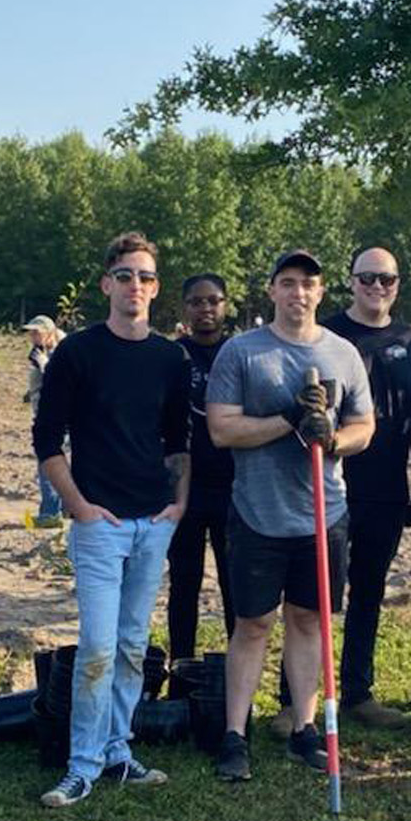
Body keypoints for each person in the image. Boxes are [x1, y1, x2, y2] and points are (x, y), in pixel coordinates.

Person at [34, 232, 190, 807]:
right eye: (125, 275)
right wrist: (78, 507)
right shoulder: (77, 352)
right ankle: (81, 764)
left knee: (130, 644)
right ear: (106, 283)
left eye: (146, 277)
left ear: (155, 288)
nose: (135, 286)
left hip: (154, 522)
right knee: (97, 646)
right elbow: (47, 440)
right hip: (100, 524)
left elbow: (179, 440)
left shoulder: (168, 358)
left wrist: (178, 504)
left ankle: (119, 752)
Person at [206, 250, 374, 782]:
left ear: (322, 293)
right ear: (272, 291)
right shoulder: (242, 352)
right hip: (258, 514)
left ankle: (305, 728)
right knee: (252, 623)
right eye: (287, 283)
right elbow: (222, 430)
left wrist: (334, 438)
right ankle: (235, 734)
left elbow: (364, 425)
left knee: (308, 620)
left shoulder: (344, 354)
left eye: (308, 284)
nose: (298, 293)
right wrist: (288, 418)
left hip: (324, 515)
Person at [301, 246, 411, 729]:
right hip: (330, 483)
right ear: (351, 282)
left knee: (369, 591)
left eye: (387, 279)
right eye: (368, 279)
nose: (377, 287)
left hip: (386, 486)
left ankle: (358, 693)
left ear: (398, 284)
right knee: (315, 594)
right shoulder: (326, 333)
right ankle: (298, 702)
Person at [167, 273, 237, 660]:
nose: (206, 309)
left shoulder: (239, 353)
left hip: (234, 488)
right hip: (186, 491)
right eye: (196, 302)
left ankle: (234, 685)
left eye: (214, 301)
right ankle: (181, 670)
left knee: (235, 588)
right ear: (185, 309)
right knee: (184, 584)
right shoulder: (172, 357)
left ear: (225, 305)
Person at [22, 315, 64, 528]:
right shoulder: (42, 353)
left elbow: (60, 383)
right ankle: (64, 509)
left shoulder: (60, 354)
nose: (33, 337)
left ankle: (50, 514)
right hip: (47, 413)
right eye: (31, 333)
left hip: (57, 418)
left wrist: (44, 365)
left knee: (47, 464)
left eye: (37, 332)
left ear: (49, 332)